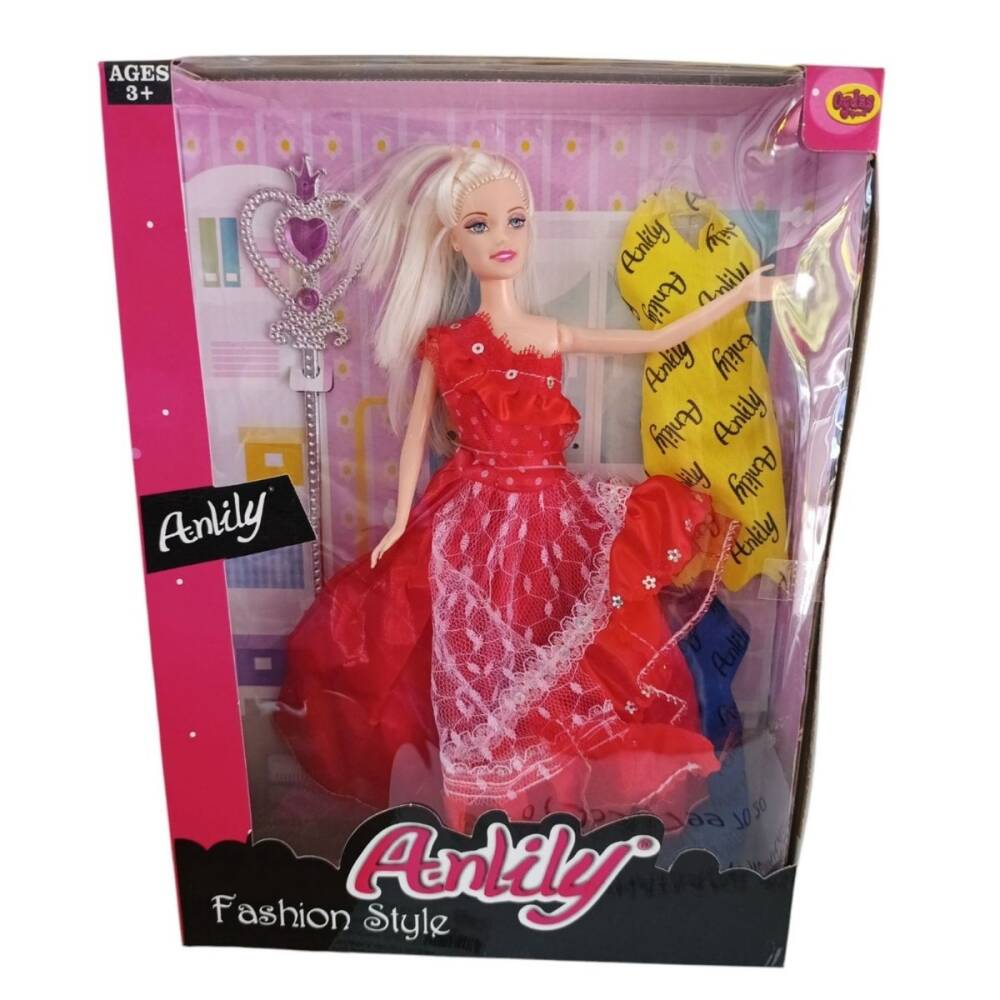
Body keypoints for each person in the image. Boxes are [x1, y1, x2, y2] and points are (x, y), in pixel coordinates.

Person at [275, 144, 784, 833]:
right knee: (472, 662)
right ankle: (489, 807)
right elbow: (417, 437)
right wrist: (398, 523)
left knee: (572, 651)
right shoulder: (446, 345)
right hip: (473, 519)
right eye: (480, 224)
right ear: (452, 241)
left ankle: (554, 800)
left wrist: (740, 295)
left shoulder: (548, 334)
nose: (503, 237)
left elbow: (657, 340)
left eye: (516, 220)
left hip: (553, 518)